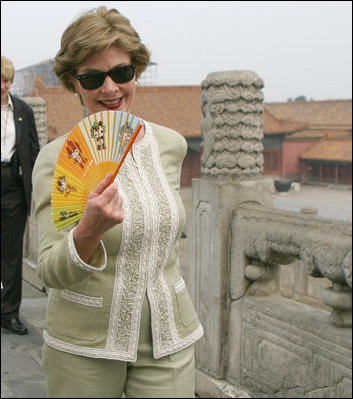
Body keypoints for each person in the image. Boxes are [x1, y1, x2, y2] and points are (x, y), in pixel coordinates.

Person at [32, 6, 203, 398]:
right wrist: (88, 231)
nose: (110, 88)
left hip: (167, 337)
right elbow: (50, 270)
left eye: (121, 73)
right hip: (83, 344)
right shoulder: (58, 158)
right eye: (93, 77)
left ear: (137, 72)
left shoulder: (170, 145)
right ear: (74, 84)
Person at [1, 55, 40, 335]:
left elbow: (35, 151)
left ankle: (9, 313)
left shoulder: (23, 110)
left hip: (13, 187)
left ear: (11, 81)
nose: (1, 86)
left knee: (11, 253)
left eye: (4, 80)